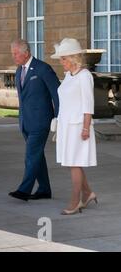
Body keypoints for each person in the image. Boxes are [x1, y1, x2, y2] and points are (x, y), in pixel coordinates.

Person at [8, 39, 60, 201]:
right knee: (37, 156)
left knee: (31, 155)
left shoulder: (43, 68)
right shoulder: (19, 71)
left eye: (16, 53)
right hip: (25, 121)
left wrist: (58, 118)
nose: (14, 57)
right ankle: (44, 190)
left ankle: (24, 190)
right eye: (13, 54)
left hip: (41, 121)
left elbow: (58, 95)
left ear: (26, 53)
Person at [52, 38, 97, 215]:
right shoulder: (69, 76)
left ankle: (75, 200)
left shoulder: (84, 76)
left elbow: (88, 105)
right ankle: (88, 193)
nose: (61, 62)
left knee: (74, 164)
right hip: (66, 125)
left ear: (72, 58)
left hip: (78, 127)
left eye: (63, 59)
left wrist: (85, 129)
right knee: (73, 163)